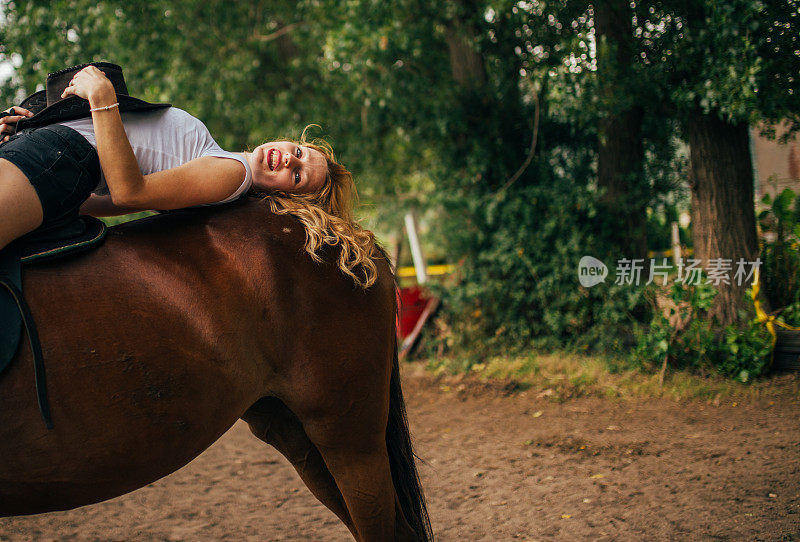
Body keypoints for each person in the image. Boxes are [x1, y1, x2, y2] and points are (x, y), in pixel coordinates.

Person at [0, 64, 378, 287]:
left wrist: (101, 96)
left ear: (287, 197)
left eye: (296, 177)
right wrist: (42, 127)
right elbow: (108, 200)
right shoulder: (219, 155)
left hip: (59, 158)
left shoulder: (233, 174)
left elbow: (131, 192)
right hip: (53, 153)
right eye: (298, 152)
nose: (287, 161)